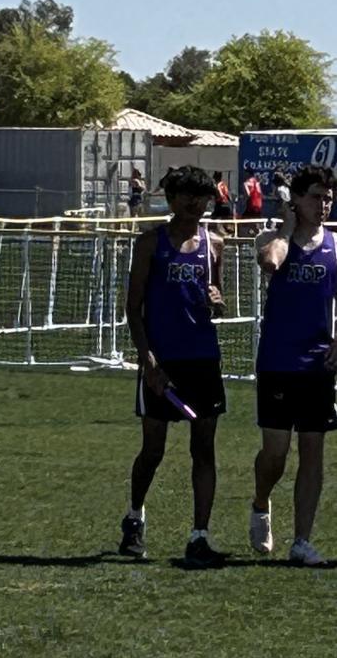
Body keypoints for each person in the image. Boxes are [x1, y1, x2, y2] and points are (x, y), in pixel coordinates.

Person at [119, 165, 227, 568]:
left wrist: (218, 303)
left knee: (204, 448)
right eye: (187, 196)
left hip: (203, 359)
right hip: (162, 361)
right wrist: (147, 361)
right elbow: (133, 307)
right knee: (153, 449)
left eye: (202, 197)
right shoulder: (151, 243)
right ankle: (134, 517)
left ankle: (199, 535)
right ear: (171, 199)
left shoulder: (214, 243)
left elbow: (218, 302)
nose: (195, 204)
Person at [250, 165, 337, 566]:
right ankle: (261, 502)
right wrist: (286, 228)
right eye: (316, 197)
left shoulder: (334, 245)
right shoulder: (273, 238)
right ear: (297, 199)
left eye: (328, 198)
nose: (324, 204)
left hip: (318, 364)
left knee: (312, 450)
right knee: (276, 453)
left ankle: (302, 540)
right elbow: (270, 263)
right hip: (278, 361)